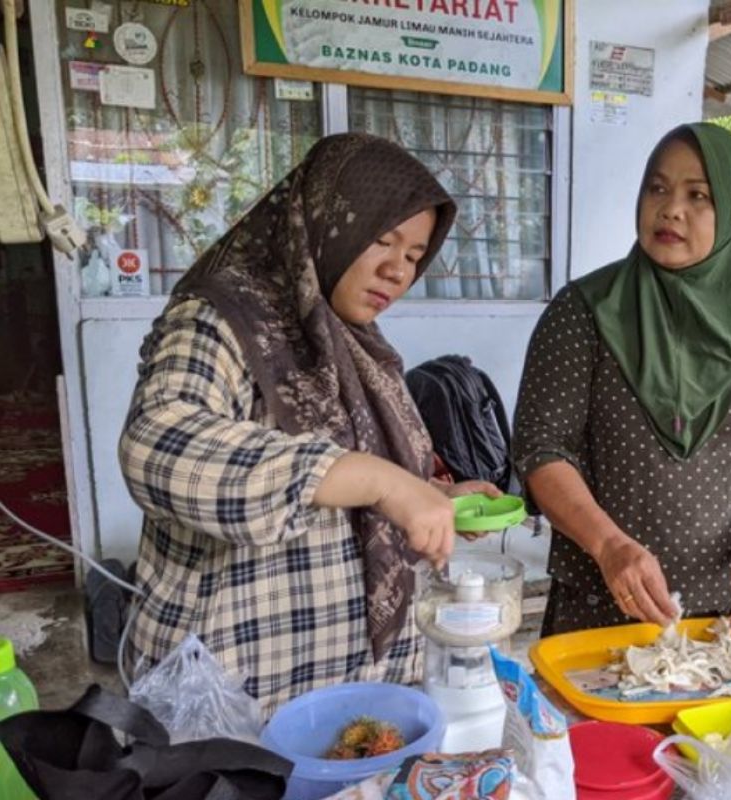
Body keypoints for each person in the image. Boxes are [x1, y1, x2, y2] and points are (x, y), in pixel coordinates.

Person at [119, 133, 498, 713]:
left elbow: (351, 484)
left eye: (416, 255)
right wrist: (382, 481)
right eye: (382, 239)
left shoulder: (353, 342)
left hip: (349, 684)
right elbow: (158, 445)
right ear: (325, 221)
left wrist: (431, 495)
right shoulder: (224, 321)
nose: (398, 270)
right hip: (235, 695)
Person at [512, 123, 731, 636]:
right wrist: (610, 546)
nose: (670, 209)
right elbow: (541, 448)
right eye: (657, 188)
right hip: (601, 607)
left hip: (728, 621)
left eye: (697, 195)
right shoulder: (585, 312)